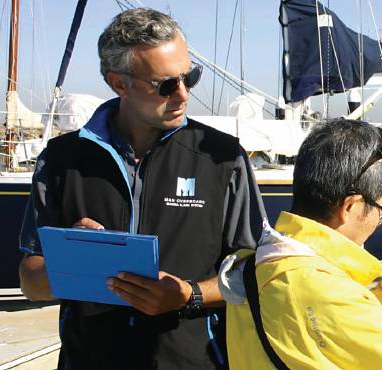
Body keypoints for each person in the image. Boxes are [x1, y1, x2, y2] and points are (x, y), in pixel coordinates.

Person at [18, 8, 266, 370]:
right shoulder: (61, 160)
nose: (183, 94)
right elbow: (29, 280)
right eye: (166, 85)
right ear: (120, 84)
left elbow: (258, 273)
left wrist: (189, 296)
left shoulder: (223, 159)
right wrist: (70, 260)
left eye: (189, 77)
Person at [220, 119, 382, 370]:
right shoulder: (322, 292)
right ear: (350, 206)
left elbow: (340, 335)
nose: (379, 220)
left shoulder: (262, 263)